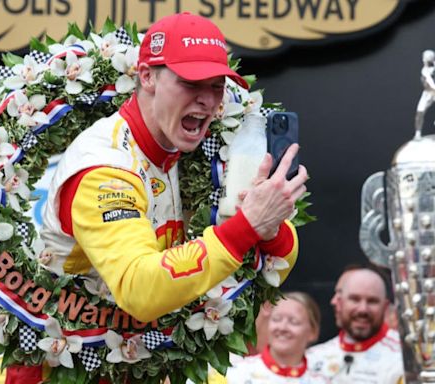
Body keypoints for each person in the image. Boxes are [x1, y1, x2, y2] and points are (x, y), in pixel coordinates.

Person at [40, 12, 308, 323]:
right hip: (65, 364)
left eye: (216, 86)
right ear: (147, 76)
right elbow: (138, 289)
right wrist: (248, 225)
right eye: (191, 83)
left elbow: (277, 263)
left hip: (146, 364)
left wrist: (268, 226)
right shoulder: (104, 166)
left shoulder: (187, 146)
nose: (208, 100)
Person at [307, 268, 404, 383]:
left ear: (385, 306)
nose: (363, 309)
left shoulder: (404, 357)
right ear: (339, 303)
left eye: (372, 301)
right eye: (355, 299)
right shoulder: (312, 357)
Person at [209, 292, 329, 383]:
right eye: (276, 319)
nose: (282, 327)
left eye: (294, 322)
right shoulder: (236, 374)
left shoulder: (323, 381)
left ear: (313, 332)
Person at [415, 49, 435, 138]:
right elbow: (429, 81)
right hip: (427, 93)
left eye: (425, 58)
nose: (423, 60)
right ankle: (418, 133)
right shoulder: (424, 70)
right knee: (420, 112)